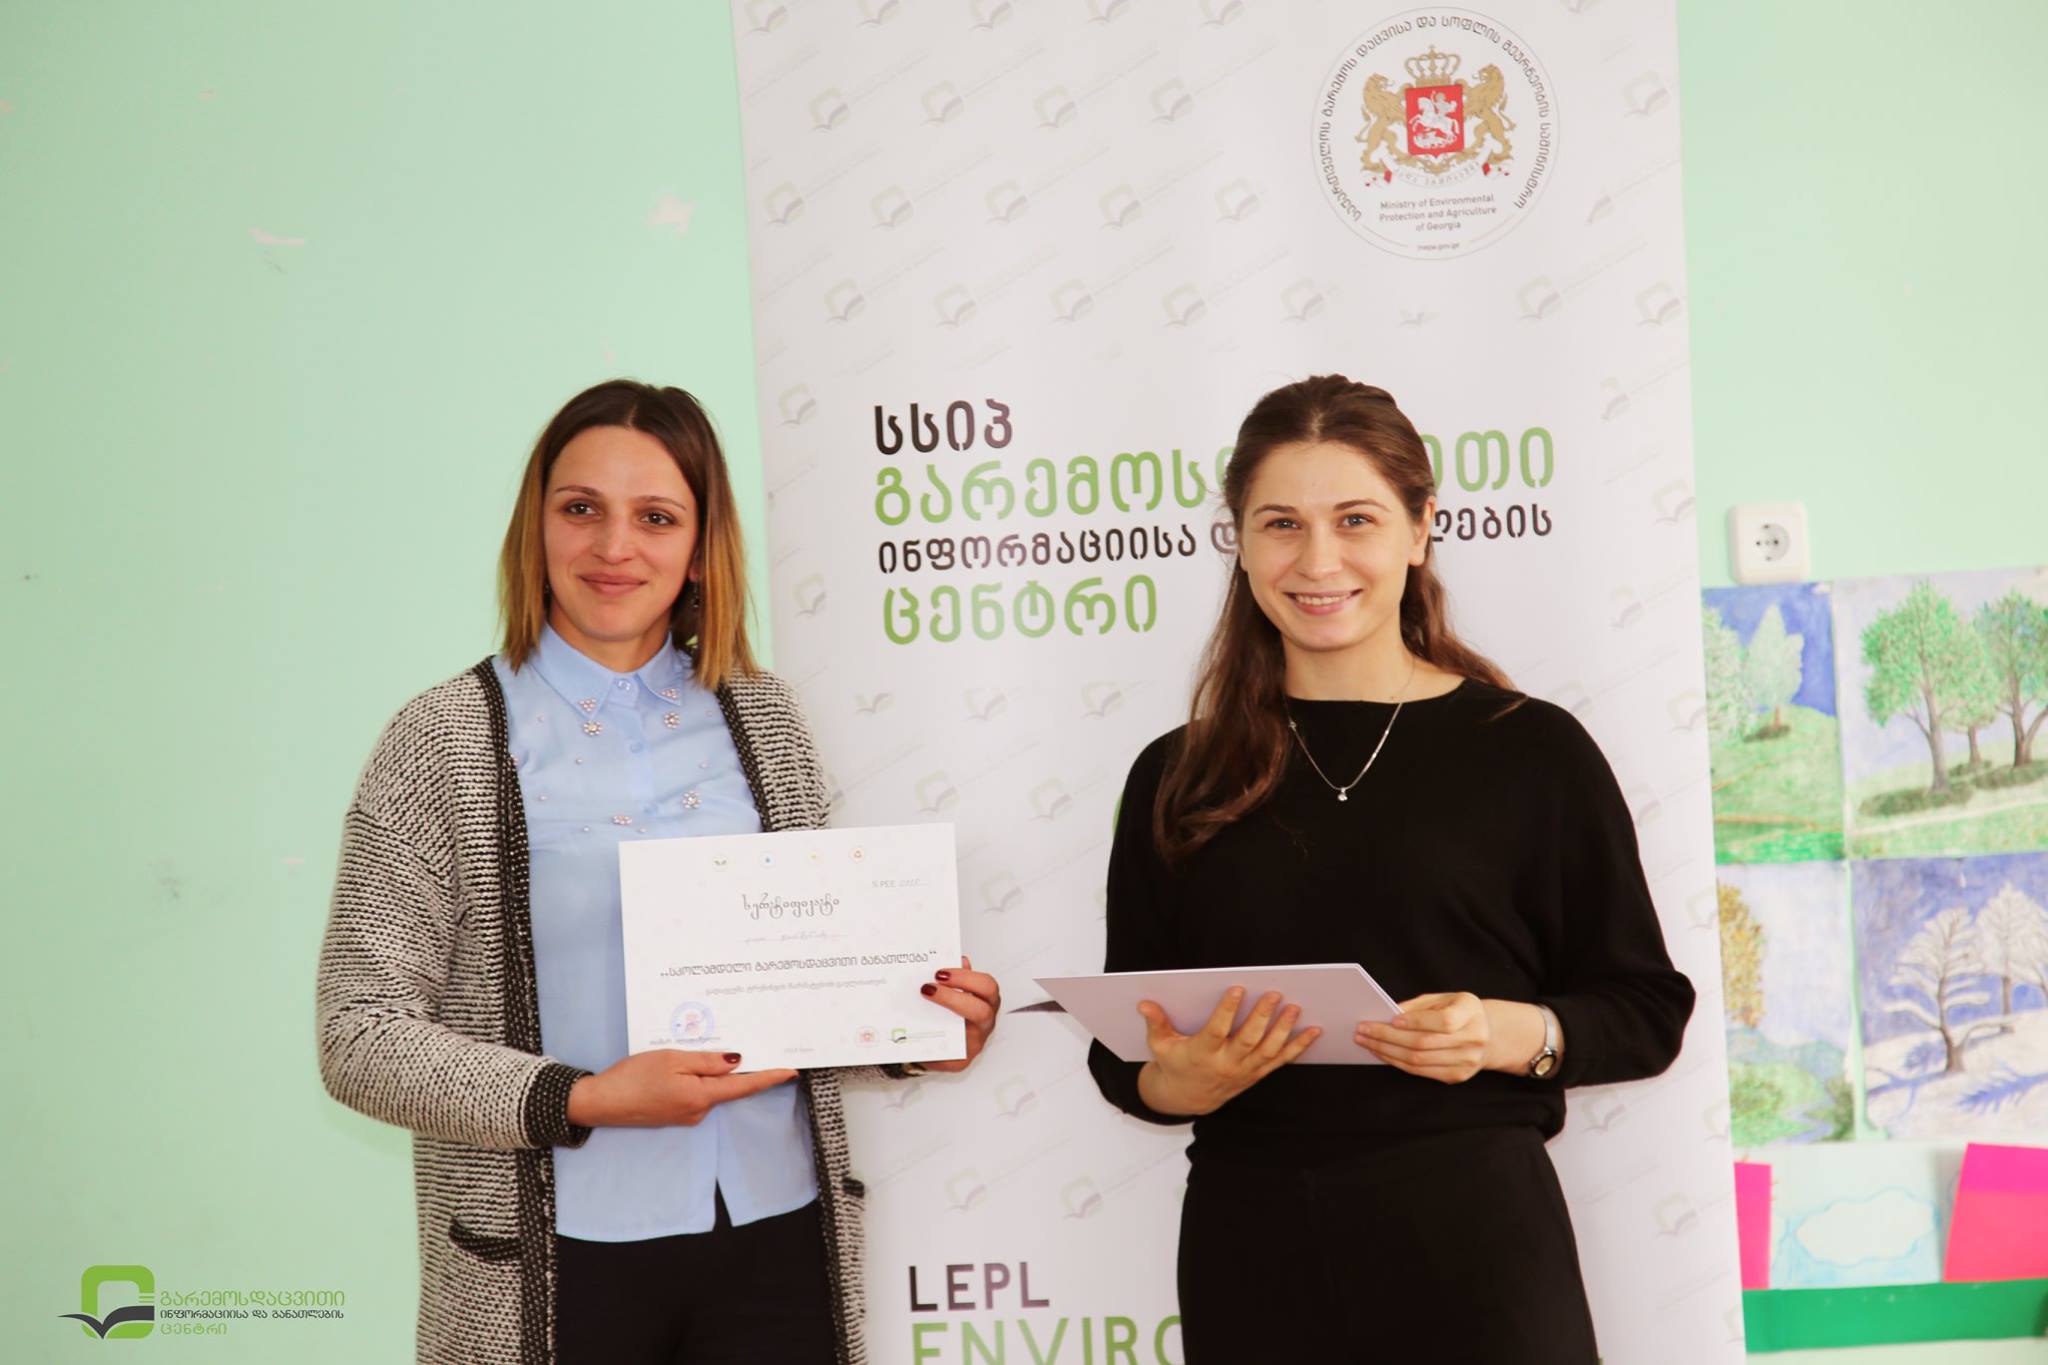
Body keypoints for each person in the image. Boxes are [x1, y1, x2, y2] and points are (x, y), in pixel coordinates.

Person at [316, 379, 1001, 1364]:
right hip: (555, 1264)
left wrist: (912, 1026)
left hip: (776, 1243)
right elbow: (358, 1035)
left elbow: (793, 987)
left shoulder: (765, 718)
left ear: (700, 542)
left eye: (656, 517)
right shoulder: (444, 739)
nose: (614, 546)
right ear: (535, 524)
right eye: (580, 508)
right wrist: (584, 1098)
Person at [1087, 375, 1694, 1364]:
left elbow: (1644, 1010)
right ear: (1238, 542)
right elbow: (1122, 1050)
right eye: (1281, 524)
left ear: (1420, 528)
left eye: (1355, 519)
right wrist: (1175, 1082)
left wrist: (1501, 1032)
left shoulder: (1532, 750)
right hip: (1252, 1251)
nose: (1317, 560)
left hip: (1477, 1243)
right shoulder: (1176, 773)